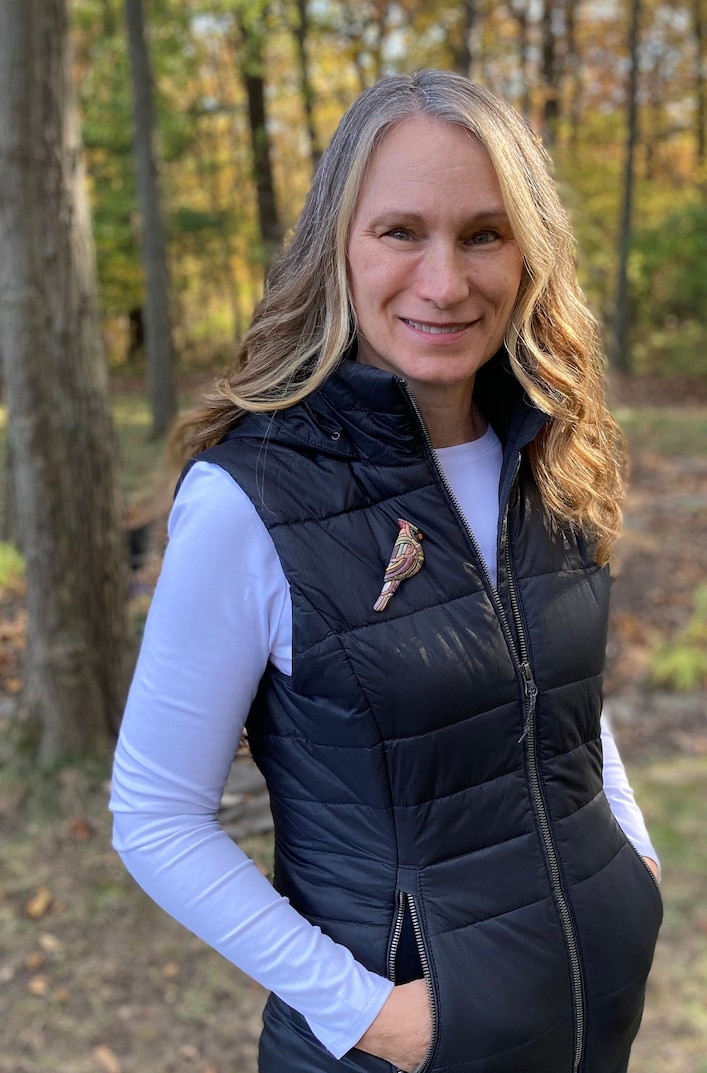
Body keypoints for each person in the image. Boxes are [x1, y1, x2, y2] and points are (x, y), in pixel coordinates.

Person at [110, 69, 661, 1073]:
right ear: (340, 246)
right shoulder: (251, 498)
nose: (444, 282)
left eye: (482, 234)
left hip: (587, 1022)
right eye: (401, 231)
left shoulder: (549, 452)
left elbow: (552, 693)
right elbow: (154, 813)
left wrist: (629, 865)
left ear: (527, 248)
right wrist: (369, 1012)